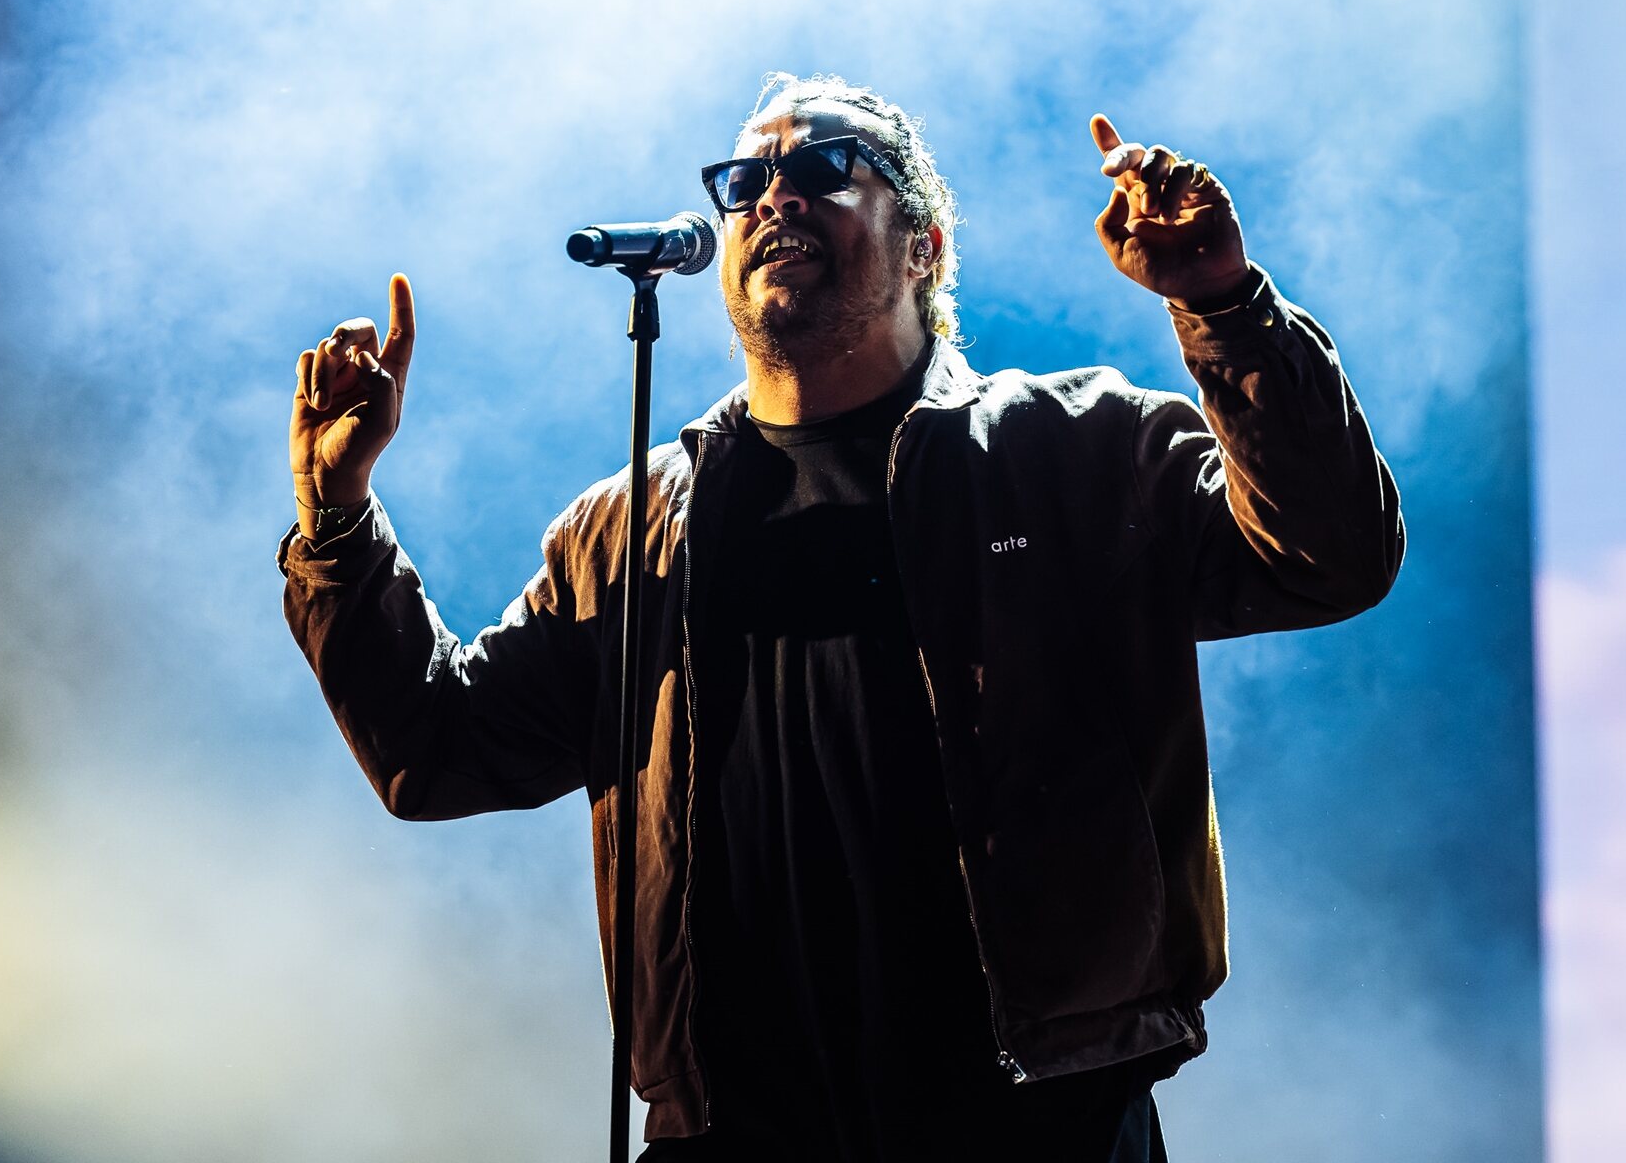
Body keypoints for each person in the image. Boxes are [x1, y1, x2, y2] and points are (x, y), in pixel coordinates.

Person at [278, 73, 1405, 1161]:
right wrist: (337, 520)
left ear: (925, 245)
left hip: (1035, 1122)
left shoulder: (1078, 450)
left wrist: (1225, 306)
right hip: (736, 1136)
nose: (774, 195)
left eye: (822, 166)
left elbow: (1331, 556)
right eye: (744, 180)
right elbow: (437, 751)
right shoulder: (630, 530)